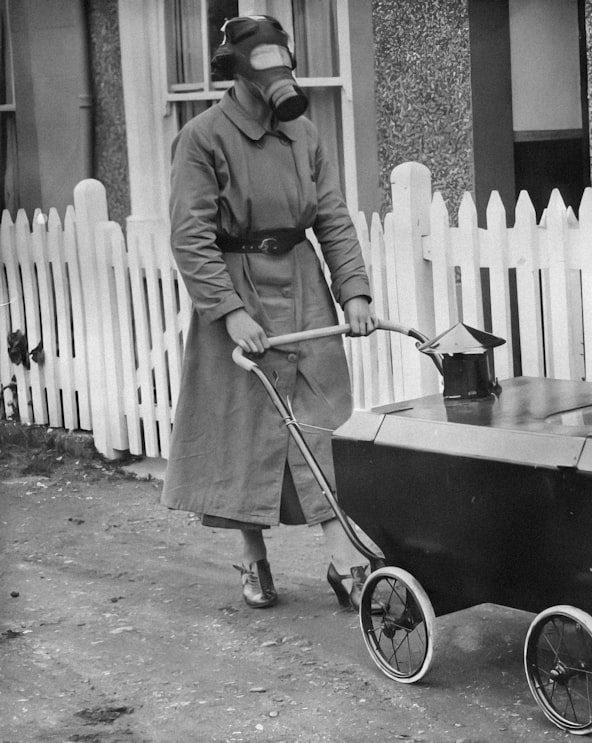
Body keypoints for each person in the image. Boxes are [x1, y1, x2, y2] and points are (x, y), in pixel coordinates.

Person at [162, 15, 375, 611]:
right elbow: (191, 237)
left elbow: (331, 216)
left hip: (303, 281)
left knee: (322, 418)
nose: (278, 78)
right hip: (238, 287)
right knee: (242, 426)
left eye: (285, 64)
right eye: (264, 67)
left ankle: (343, 559)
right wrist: (228, 312)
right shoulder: (202, 138)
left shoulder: (304, 133)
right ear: (237, 73)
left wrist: (353, 290)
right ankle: (251, 556)